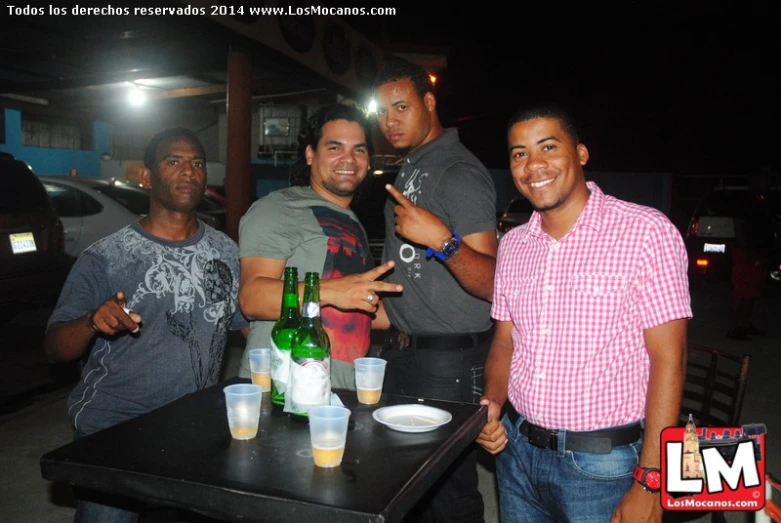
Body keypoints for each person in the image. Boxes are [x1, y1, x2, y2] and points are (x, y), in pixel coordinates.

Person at [475, 103, 692, 523]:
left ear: (581, 154)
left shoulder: (645, 231)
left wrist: (651, 478)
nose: (532, 164)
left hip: (603, 466)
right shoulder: (515, 245)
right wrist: (492, 403)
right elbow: (505, 341)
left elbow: (670, 359)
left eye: (548, 147)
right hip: (517, 454)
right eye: (518, 153)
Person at [45, 127, 248, 523]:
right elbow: (54, 348)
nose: (188, 172)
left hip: (197, 429)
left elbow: (243, 325)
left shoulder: (225, 250)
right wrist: (91, 321)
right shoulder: (107, 256)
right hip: (117, 431)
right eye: (173, 162)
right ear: (147, 176)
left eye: (197, 163)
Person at [372, 58, 498, 523]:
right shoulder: (412, 168)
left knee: (449, 495)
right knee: (405, 488)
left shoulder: (456, 172)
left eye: (402, 107)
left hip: (447, 362)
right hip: (404, 355)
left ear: (429, 102)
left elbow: (493, 282)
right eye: (383, 112)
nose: (391, 121)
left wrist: (441, 241)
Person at [237, 103, 402, 389]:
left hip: (343, 392)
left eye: (359, 149)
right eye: (335, 148)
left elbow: (353, 310)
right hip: (283, 392)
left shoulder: (352, 223)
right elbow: (251, 298)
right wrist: (331, 290)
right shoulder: (280, 207)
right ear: (310, 154)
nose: (349, 159)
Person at [726, 170, 776, 340]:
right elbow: (738, 225)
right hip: (746, 252)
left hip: (760, 251)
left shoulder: (763, 200)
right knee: (742, 289)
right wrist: (746, 249)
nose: (767, 183)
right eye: (764, 180)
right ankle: (734, 327)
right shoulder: (746, 200)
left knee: (753, 290)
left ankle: (745, 324)